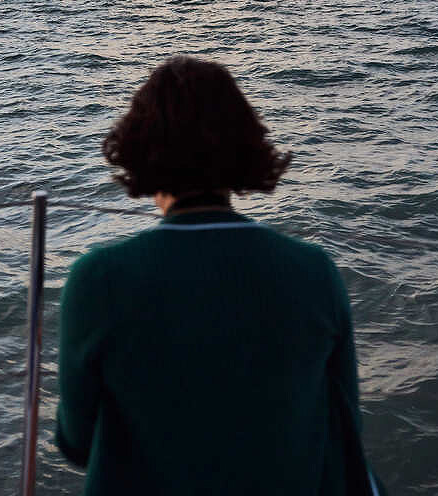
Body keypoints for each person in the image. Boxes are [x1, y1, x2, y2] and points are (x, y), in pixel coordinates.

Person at [55, 56, 385, 495]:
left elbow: (76, 443)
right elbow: (347, 424)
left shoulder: (97, 280)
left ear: (140, 148)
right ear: (243, 144)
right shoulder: (313, 272)